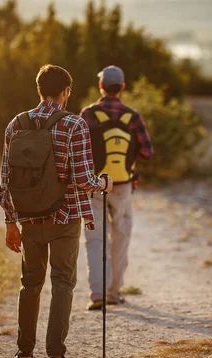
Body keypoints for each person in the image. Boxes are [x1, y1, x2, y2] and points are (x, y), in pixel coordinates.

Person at [0, 64, 113, 358]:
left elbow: (5, 179)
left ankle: (24, 352)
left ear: (39, 89)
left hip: (29, 219)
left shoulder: (16, 124)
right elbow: (85, 179)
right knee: (62, 283)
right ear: (65, 92)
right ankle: (55, 356)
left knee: (30, 284)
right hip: (65, 218)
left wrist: (11, 221)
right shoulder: (74, 125)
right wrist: (104, 183)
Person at [80, 66, 154, 311]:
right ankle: (114, 293)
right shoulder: (132, 116)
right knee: (120, 237)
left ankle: (97, 294)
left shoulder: (88, 113)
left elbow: (79, 150)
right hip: (122, 186)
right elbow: (147, 152)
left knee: (95, 239)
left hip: (94, 184)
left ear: (100, 86)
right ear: (122, 87)